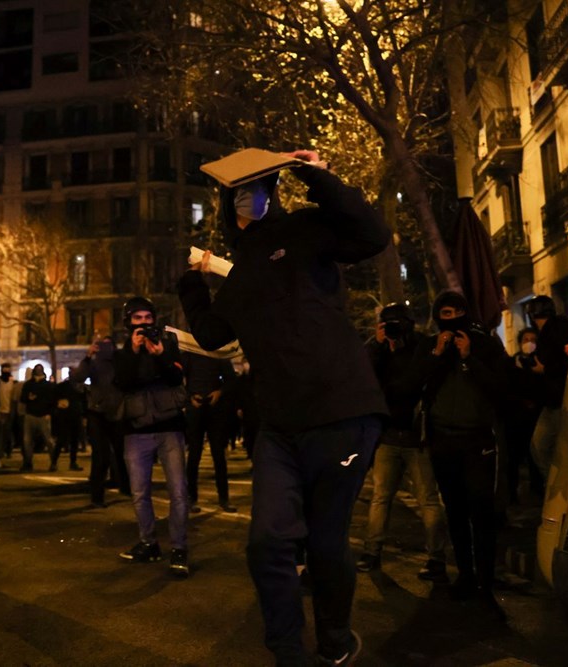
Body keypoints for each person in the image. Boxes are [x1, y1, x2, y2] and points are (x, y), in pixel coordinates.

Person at [179, 150, 390, 665]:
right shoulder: (240, 275)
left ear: (273, 192)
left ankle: (335, 640)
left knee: (325, 543)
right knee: (267, 542)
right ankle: (288, 652)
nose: (248, 198)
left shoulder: (306, 230)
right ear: (226, 205)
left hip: (340, 413)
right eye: (237, 192)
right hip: (278, 427)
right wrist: (190, 285)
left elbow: (372, 235)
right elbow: (212, 333)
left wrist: (314, 175)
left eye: (258, 187)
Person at [408, 291, 508, 619]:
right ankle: (465, 575)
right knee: (455, 511)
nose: (451, 319)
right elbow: (411, 384)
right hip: (443, 441)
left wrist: (468, 358)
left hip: (477, 441)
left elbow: (502, 387)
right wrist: (437, 355)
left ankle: (485, 583)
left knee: (482, 512)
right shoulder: (429, 346)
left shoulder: (486, 344)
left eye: (456, 312)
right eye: (445, 313)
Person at [357, 303, 448, 583]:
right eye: (388, 324)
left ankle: (436, 559)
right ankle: (372, 552)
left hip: (416, 436)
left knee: (428, 499)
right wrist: (378, 345)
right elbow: (363, 376)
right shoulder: (380, 349)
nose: (394, 329)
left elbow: (415, 381)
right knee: (381, 497)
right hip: (388, 436)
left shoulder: (421, 347)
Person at [113, 297, 190, 578]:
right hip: (137, 430)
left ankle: (179, 548)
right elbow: (123, 383)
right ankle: (149, 543)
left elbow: (176, 379)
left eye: (148, 318)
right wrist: (134, 352)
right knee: (139, 493)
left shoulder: (168, 344)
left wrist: (159, 355)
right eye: (138, 319)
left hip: (170, 426)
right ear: (128, 323)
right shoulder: (123, 351)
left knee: (178, 491)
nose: (144, 323)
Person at [71, 335, 127, 507]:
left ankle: (125, 486)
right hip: (97, 414)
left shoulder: (120, 364)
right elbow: (78, 377)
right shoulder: (93, 364)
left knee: (122, 454)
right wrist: (88, 357)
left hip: (117, 414)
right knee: (100, 456)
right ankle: (97, 496)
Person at [524, 295, 568, 484]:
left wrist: (545, 369)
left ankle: (559, 487)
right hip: (556, 399)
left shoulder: (554, 329)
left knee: (541, 446)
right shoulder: (557, 328)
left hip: (559, 400)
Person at [182, 351, 237, 513]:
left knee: (218, 455)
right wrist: (190, 397)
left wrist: (219, 392)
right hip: (196, 408)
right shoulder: (189, 354)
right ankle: (191, 497)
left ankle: (224, 498)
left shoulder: (218, 354)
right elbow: (178, 379)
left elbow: (231, 380)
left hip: (215, 409)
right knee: (194, 455)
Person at [502, 327, 546, 502]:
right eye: (526, 340)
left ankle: (537, 490)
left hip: (534, 417)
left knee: (534, 455)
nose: (529, 343)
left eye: (533, 340)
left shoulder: (541, 364)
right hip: (515, 417)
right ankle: (511, 492)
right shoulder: (512, 363)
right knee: (513, 456)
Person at [20, 364, 57, 471]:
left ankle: (30, 463)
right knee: (30, 441)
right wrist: (28, 398)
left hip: (39, 414)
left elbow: (52, 400)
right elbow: (23, 398)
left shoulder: (31, 384)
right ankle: (29, 462)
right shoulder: (44, 385)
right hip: (35, 414)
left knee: (41, 440)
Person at [50, 377, 84, 471]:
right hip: (66, 416)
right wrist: (58, 403)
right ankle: (55, 462)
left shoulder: (80, 387)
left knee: (73, 441)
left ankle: (70, 462)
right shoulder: (64, 387)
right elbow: (54, 398)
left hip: (74, 415)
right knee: (62, 440)